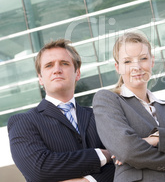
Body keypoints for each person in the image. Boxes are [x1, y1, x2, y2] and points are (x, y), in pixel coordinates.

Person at [92, 32, 165, 182]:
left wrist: (155, 139)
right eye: (127, 62)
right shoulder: (108, 100)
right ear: (117, 67)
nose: (137, 67)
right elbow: (127, 150)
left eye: (143, 59)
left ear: (152, 62)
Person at [8, 39, 115, 182]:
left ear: (77, 73)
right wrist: (101, 155)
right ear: (40, 78)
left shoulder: (100, 116)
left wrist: (88, 181)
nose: (57, 69)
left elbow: (123, 162)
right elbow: (39, 168)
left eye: (64, 63)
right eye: (49, 65)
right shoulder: (23, 122)